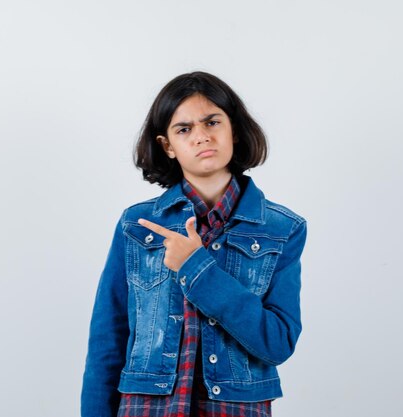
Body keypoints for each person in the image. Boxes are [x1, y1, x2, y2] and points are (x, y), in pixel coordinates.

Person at [81, 71, 308, 417]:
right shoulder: (136, 226)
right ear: (167, 146)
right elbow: (107, 343)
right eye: (184, 129)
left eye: (212, 122)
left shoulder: (282, 229)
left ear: (234, 129)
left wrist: (197, 269)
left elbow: (277, 342)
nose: (202, 137)